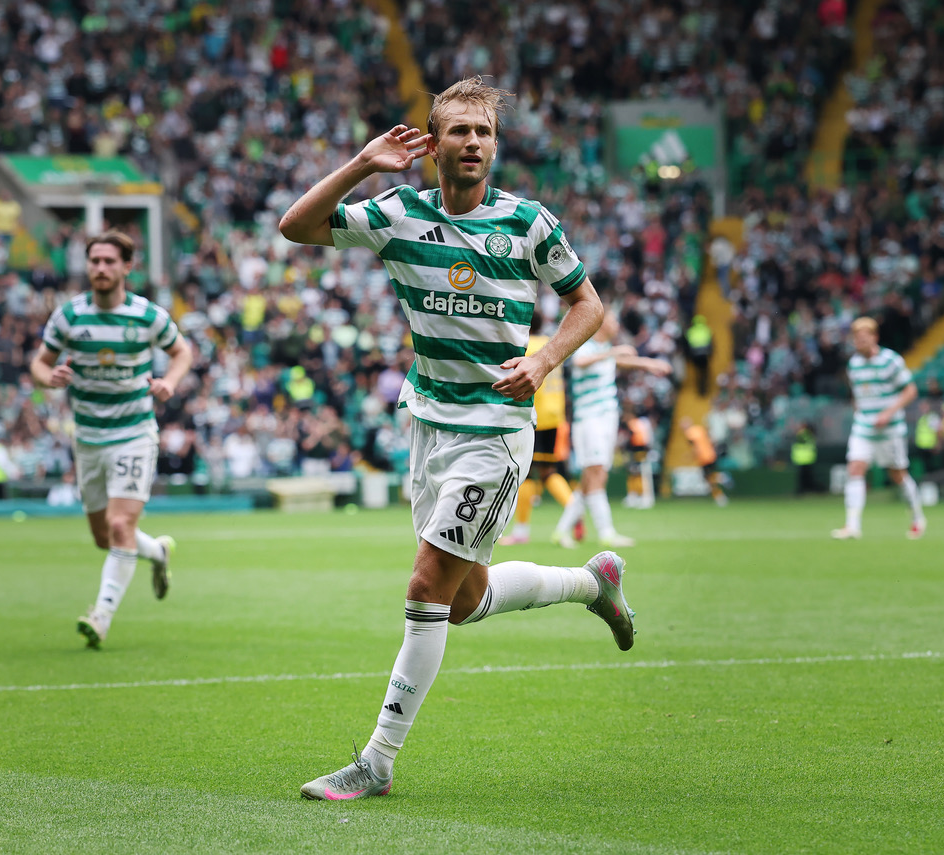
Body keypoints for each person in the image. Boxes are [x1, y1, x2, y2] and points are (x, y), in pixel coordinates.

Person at [279, 77, 636, 802]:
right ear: (435, 142)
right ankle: (591, 582)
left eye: (485, 133)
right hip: (432, 427)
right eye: (461, 131)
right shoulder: (399, 213)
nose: (474, 143)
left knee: (424, 586)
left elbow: (587, 304)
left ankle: (377, 760)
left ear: (494, 145)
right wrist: (360, 165)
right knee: (464, 599)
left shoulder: (530, 224)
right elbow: (296, 227)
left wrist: (542, 359)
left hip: (496, 435)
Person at [29, 230, 193, 648]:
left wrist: (170, 382)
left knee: (121, 525)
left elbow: (182, 351)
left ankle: (100, 616)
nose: (100, 268)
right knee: (104, 537)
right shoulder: (69, 316)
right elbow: (39, 362)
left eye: (108, 261)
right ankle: (157, 552)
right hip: (87, 437)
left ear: (126, 267)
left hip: (133, 432)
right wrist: (48, 377)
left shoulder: (146, 315)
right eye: (94, 261)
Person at [552, 311, 672, 547]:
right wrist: (612, 352)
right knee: (597, 474)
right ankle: (606, 532)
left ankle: (561, 531)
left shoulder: (603, 349)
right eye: (613, 319)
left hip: (605, 419)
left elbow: (617, 360)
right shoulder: (585, 346)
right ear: (601, 323)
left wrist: (648, 364)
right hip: (590, 419)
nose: (617, 323)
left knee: (592, 476)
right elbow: (579, 361)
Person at [832, 317, 927, 540]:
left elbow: (910, 391)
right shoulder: (854, 364)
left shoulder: (890, 361)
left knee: (897, 474)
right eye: (856, 338)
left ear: (874, 337)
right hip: (864, 427)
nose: (860, 341)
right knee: (855, 468)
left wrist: (888, 412)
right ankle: (852, 526)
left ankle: (917, 517)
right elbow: (859, 395)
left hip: (890, 430)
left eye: (864, 337)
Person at [500, 313, 576, 545]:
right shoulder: (549, 345)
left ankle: (571, 510)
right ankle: (573, 509)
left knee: (527, 475)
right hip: (556, 415)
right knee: (547, 471)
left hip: (536, 416)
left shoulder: (526, 346)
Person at [680, 416, 728, 506]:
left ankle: (721, 478)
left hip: (703, 457)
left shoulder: (689, 433)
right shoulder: (699, 429)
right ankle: (719, 495)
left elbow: (694, 447)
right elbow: (711, 439)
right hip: (711, 454)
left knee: (707, 478)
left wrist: (690, 457)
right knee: (709, 478)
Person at [622, 406, 656, 509]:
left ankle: (641, 495)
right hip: (641, 452)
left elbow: (635, 440)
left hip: (638, 453)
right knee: (636, 474)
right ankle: (636, 494)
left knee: (639, 474)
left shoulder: (634, 424)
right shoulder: (641, 424)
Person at [685, 314, 713, 395]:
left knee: (698, 372)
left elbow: (687, 346)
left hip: (695, 356)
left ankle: (700, 389)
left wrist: (688, 357)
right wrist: (711, 355)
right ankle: (705, 388)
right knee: (704, 372)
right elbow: (711, 344)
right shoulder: (707, 329)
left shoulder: (690, 331)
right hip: (704, 355)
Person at [791, 422, 817, 495]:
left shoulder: (805, 434)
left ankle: (805, 490)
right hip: (805, 459)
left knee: (805, 477)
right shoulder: (810, 434)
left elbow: (800, 439)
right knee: (805, 476)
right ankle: (806, 490)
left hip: (804, 458)